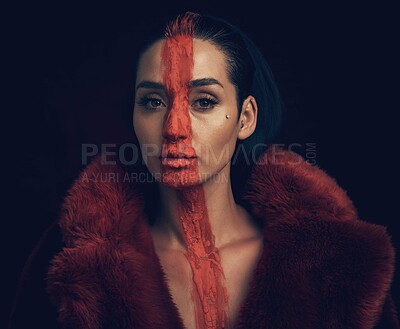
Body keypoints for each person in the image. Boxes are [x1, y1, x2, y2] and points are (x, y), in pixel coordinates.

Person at [8, 11, 399, 329]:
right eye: (153, 102)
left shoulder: (339, 261)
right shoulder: (70, 262)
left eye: (205, 101)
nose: (174, 128)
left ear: (245, 118)